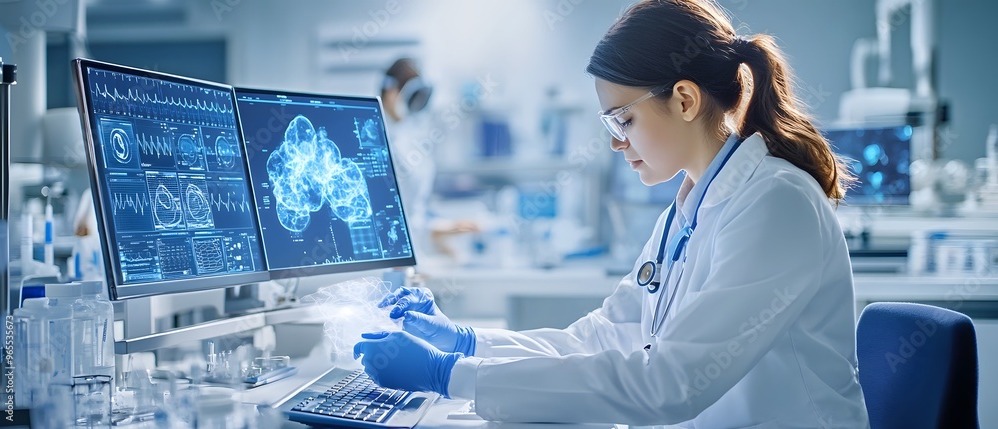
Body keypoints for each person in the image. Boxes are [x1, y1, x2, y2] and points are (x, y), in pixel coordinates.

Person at [354, 1, 870, 426]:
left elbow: (670, 384)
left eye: (624, 119)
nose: (615, 142)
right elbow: (597, 338)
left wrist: (449, 376)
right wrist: (467, 343)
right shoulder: (687, 211)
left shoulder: (776, 204)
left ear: (685, 100)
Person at [380, 58, 478, 264]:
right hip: (393, 257)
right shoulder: (379, 142)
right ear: (391, 94)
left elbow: (416, 211)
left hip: (415, 255)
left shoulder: (410, 140)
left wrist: (445, 227)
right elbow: (390, 217)